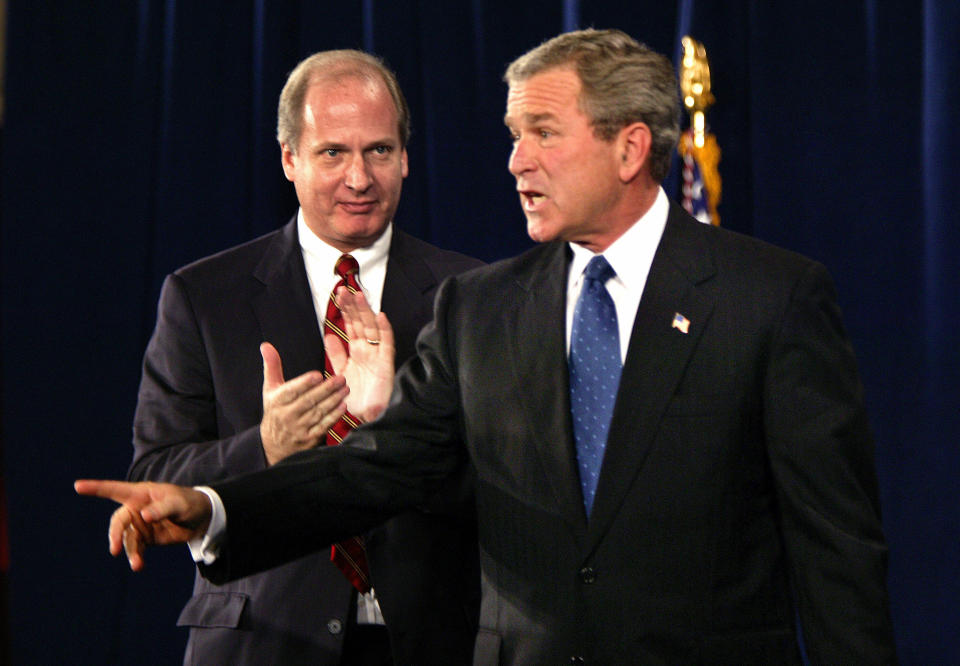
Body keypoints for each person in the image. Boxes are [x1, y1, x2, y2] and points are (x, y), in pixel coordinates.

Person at [79, 29, 897, 664]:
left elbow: (837, 556)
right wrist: (216, 507)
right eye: (512, 135)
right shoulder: (482, 306)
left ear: (630, 147)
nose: (515, 162)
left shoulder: (770, 298)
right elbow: (376, 470)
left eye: (542, 133)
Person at [124, 49, 482, 665]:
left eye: (379, 151)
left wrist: (388, 423)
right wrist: (265, 447)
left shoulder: (472, 296)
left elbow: (508, 478)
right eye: (332, 153)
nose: (360, 178)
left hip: (430, 640)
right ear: (289, 159)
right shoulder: (205, 296)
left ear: (406, 157)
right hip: (264, 640)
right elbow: (153, 480)